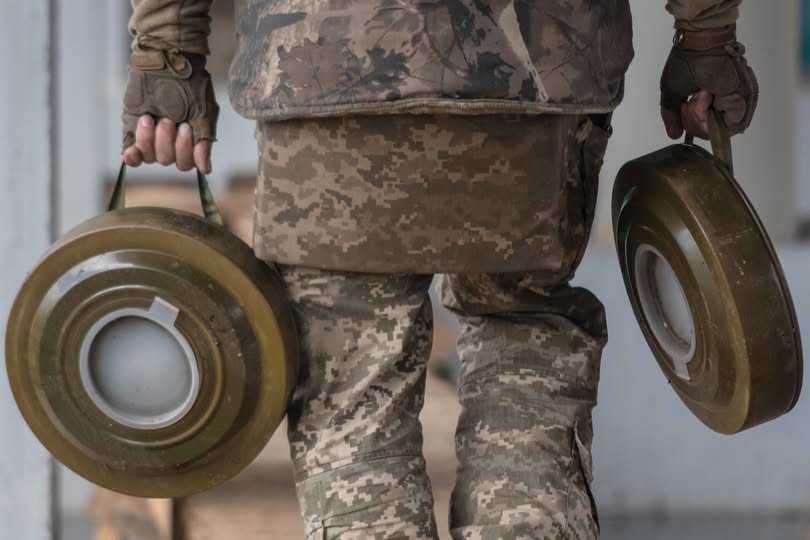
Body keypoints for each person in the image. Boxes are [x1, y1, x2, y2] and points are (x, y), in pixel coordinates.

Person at [121, 1, 757, 538]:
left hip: (323, 60)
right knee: (521, 340)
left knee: (350, 386)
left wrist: (167, 50)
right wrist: (706, 39)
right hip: (536, 67)